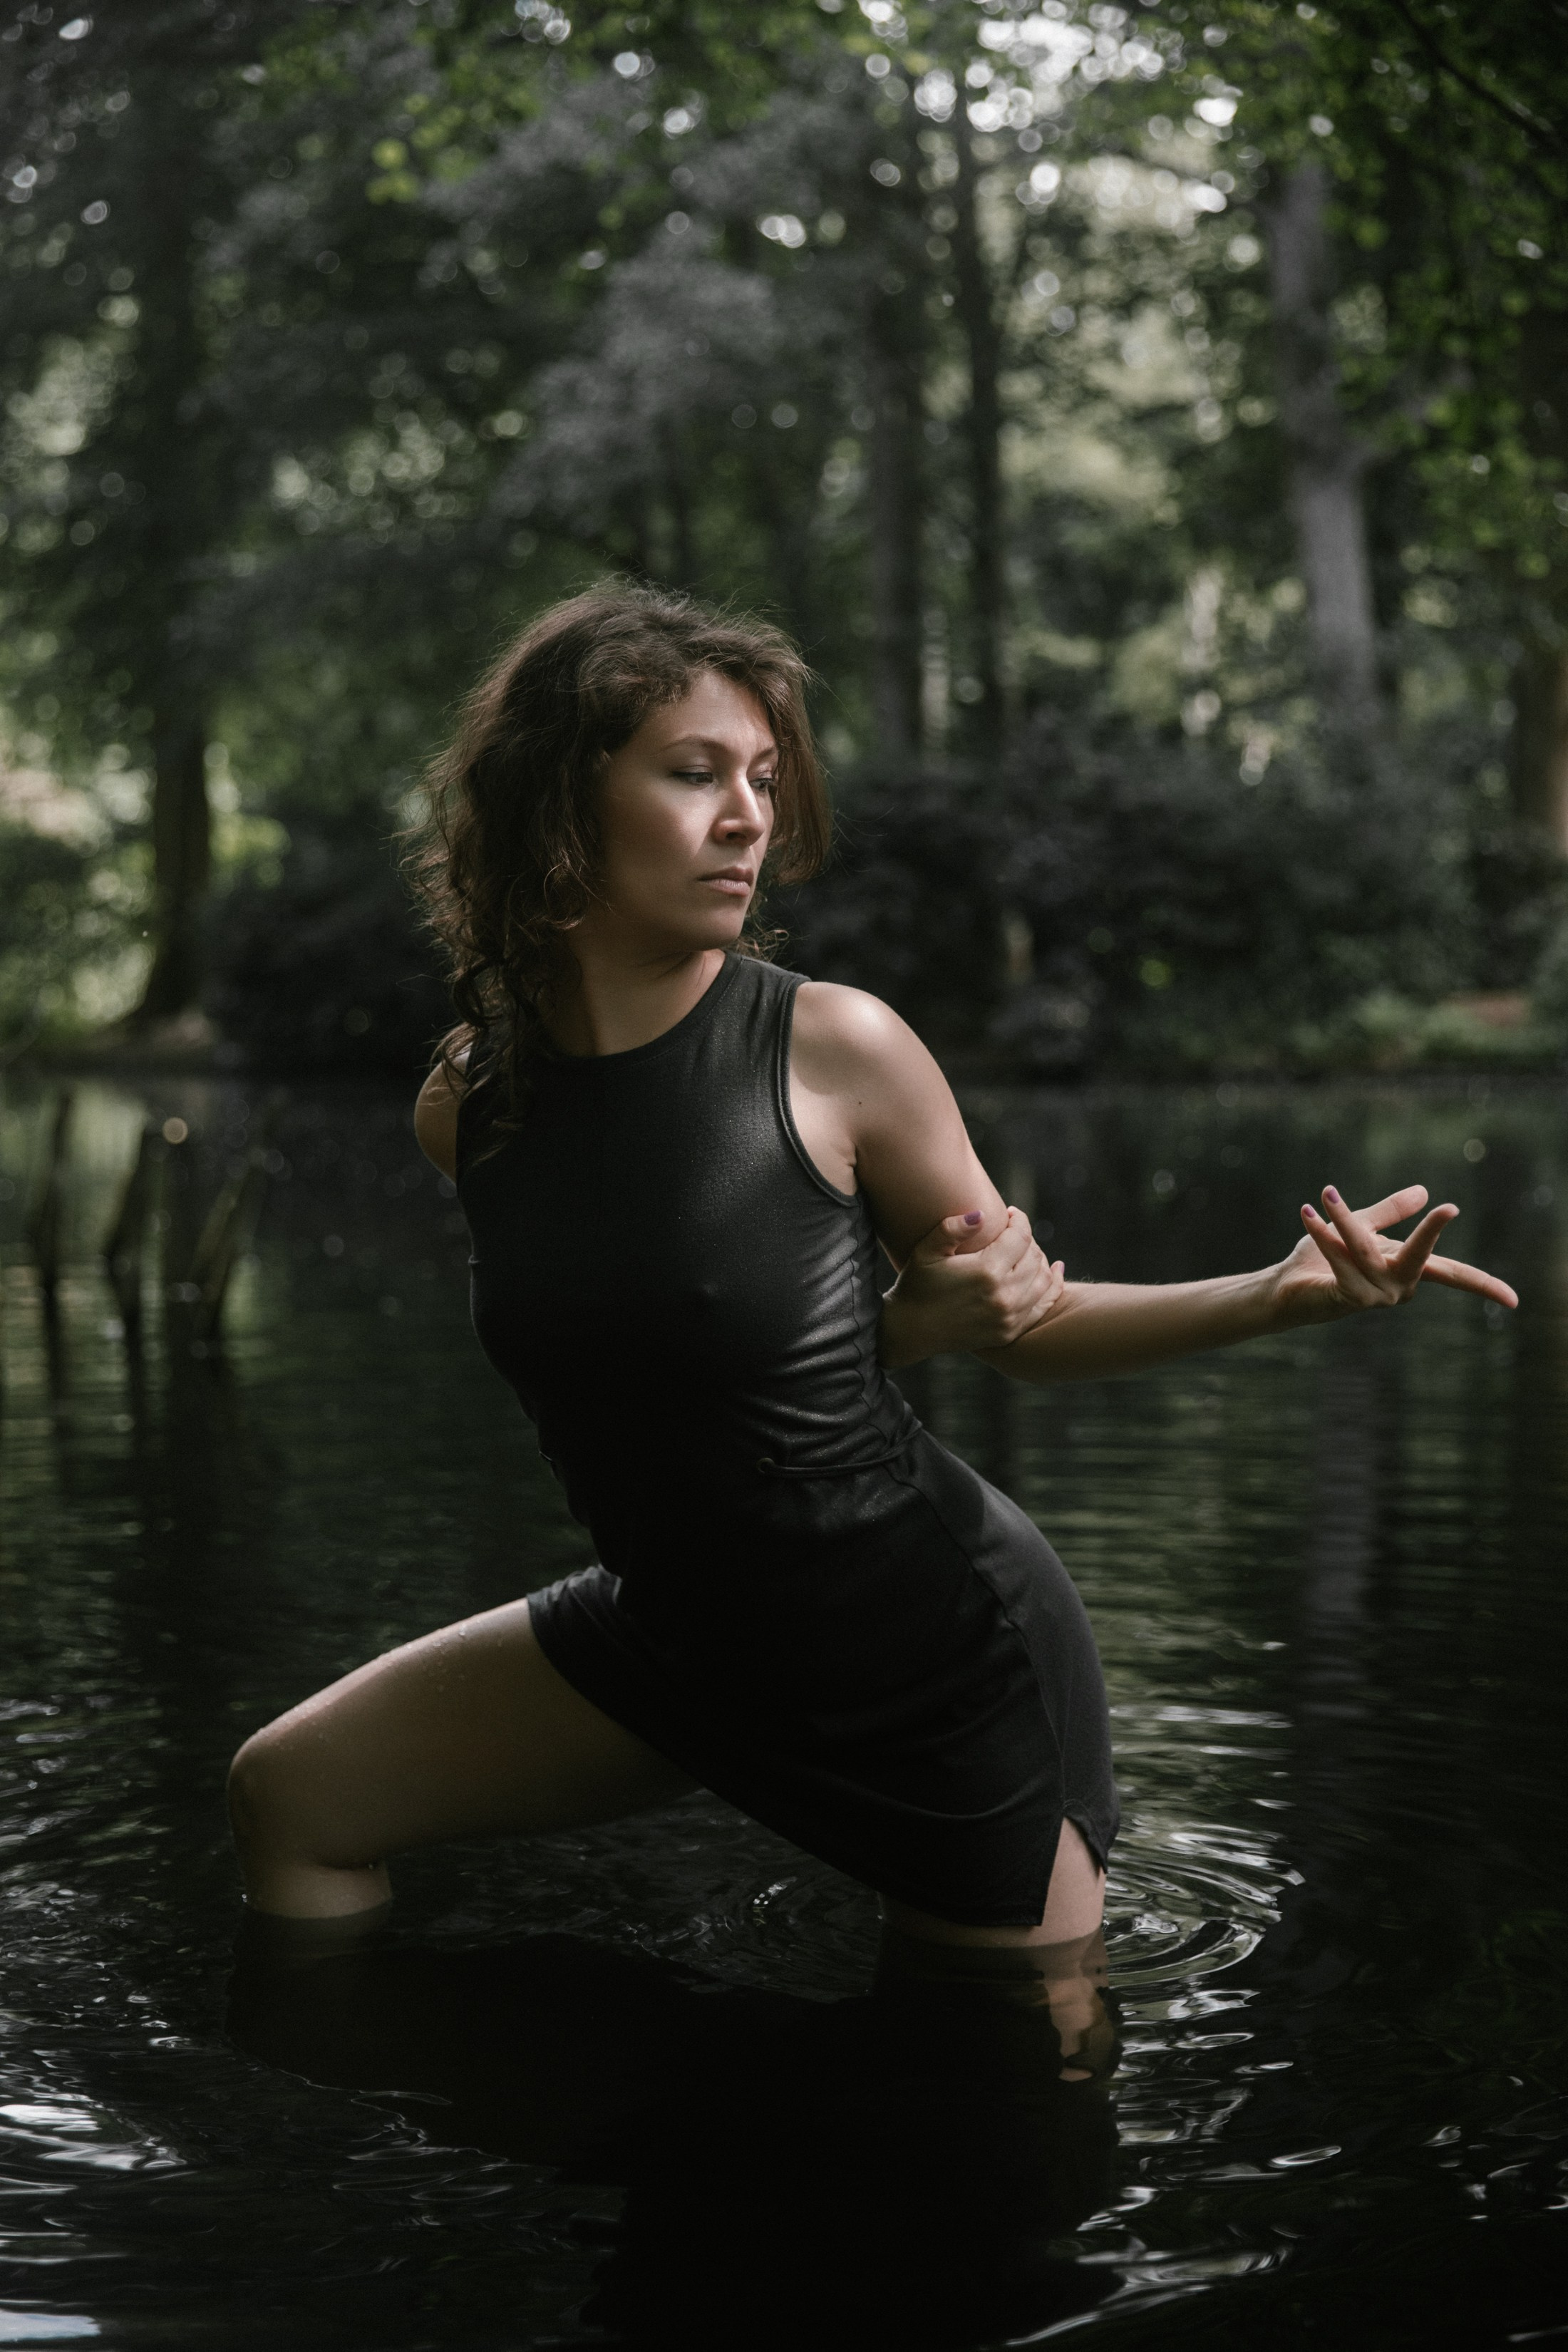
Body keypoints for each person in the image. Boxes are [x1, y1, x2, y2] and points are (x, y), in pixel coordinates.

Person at [227, 584, 1517, 1968]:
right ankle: (370, 2124)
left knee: (978, 2110)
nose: (747, 818)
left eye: (763, 779)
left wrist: (1276, 1292)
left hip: (925, 1668)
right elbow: (671, 1370)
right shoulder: (469, 1102)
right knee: (293, 1796)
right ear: (557, 802)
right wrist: (898, 1328)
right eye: (692, 772)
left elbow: (1026, 1322)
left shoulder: (835, 1051)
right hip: (674, 1637)